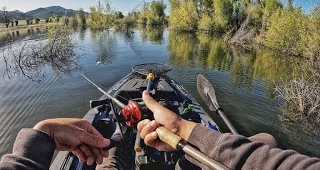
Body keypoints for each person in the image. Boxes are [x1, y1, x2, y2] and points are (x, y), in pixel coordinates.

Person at [0, 91, 319, 169]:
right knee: (266, 139)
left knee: (111, 152)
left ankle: (119, 141)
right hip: (176, 139)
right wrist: (183, 126)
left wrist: (41, 135)